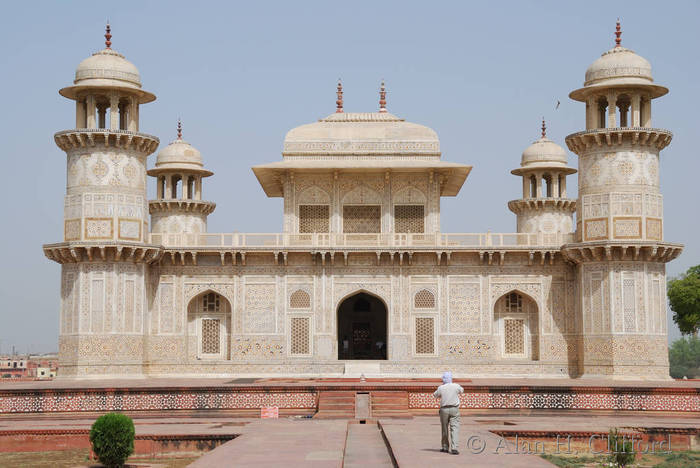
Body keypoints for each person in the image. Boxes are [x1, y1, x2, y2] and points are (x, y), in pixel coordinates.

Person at [433, 371, 464, 455]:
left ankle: (445, 447)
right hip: (454, 409)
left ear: (443, 379)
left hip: (444, 410)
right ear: (451, 379)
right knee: (455, 428)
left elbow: (435, 395)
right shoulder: (456, 386)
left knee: (444, 429)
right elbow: (462, 391)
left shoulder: (441, 387)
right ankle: (454, 448)